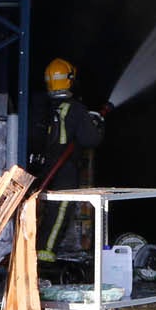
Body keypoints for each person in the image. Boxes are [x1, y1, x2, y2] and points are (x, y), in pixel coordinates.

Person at [32, 57, 106, 262]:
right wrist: (97, 124)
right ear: (70, 80)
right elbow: (90, 139)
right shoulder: (75, 109)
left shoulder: (42, 105)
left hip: (43, 166)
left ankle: (34, 249)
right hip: (64, 168)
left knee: (42, 209)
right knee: (61, 209)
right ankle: (45, 253)